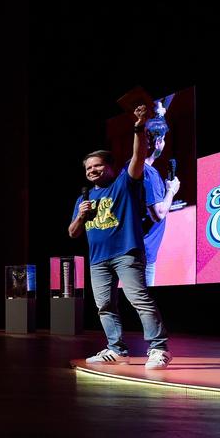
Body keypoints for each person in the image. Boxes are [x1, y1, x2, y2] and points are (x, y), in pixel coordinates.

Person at [69, 103, 172, 368]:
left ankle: (159, 348)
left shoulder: (124, 184)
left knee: (139, 300)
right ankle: (116, 349)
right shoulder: (85, 197)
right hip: (97, 260)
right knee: (104, 306)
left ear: (111, 166)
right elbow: (72, 233)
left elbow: (138, 156)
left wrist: (139, 126)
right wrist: (81, 215)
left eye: (97, 166)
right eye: (88, 168)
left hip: (126, 253)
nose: (92, 171)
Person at [139, 108, 181, 287]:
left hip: (132, 251)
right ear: (158, 142)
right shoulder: (149, 174)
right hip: (144, 253)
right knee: (147, 306)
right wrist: (171, 190)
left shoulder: (130, 167)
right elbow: (158, 213)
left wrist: (160, 115)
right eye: (162, 140)